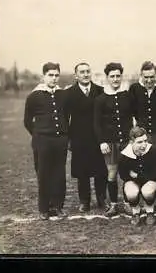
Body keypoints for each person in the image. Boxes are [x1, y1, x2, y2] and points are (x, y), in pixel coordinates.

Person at [24, 62, 69, 220]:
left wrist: (64, 136)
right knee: (43, 173)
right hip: (42, 141)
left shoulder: (63, 95)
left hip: (60, 140)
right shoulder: (34, 96)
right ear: (44, 76)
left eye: (57, 75)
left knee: (59, 174)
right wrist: (38, 134)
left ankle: (57, 206)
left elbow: (67, 116)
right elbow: (27, 121)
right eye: (50, 75)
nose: (54, 78)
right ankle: (44, 208)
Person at [65, 62, 108, 213]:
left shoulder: (100, 91)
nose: (85, 74)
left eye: (88, 71)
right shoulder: (69, 93)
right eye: (82, 72)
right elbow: (65, 118)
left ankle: (102, 198)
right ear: (76, 75)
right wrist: (69, 139)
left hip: (98, 138)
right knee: (82, 171)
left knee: (101, 170)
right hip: (79, 138)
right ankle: (85, 201)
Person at [94, 62, 134, 217]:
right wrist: (102, 141)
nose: (115, 79)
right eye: (112, 76)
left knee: (126, 174)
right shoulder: (100, 99)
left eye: (118, 76)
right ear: (107, 78)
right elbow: (96, 123)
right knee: (112, 173)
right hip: (109, 142)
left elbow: (134, 117)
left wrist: (132, 139)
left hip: (126, 141)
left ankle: (127, 203)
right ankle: (113, 205)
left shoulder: (127, 96)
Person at [118, 126, 156, 226]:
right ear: (131, 142)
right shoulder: (124, 155)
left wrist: (137, 175)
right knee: (131, 192)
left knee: (147, 191)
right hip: (134, 181)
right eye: (139, 142)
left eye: (145, 141)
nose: (144, 145)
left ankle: (150, 211)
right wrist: (138, 178)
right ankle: (135, 212)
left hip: (150, 181)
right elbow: (124, 176)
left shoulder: (153, 151)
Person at [129, 61, 156, 152]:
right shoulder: (134, 88)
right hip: (141, 134)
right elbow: (129, 109)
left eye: (152, 77)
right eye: (146, 77)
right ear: (141, 75)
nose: (149, 80)